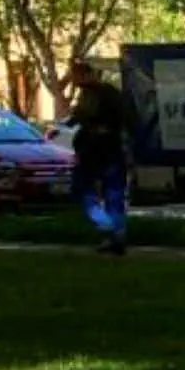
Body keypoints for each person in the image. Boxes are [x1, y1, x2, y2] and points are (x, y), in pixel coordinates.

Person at [67, 59, 134, 256]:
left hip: (99, 150)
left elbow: (85, 118)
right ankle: (116, 235)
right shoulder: (93, 93)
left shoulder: (100, 94)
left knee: (87, 190)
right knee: (112, 195)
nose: (74, 80)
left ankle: (111, 229)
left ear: (86, 75)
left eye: (76, 75)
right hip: (104, 150)